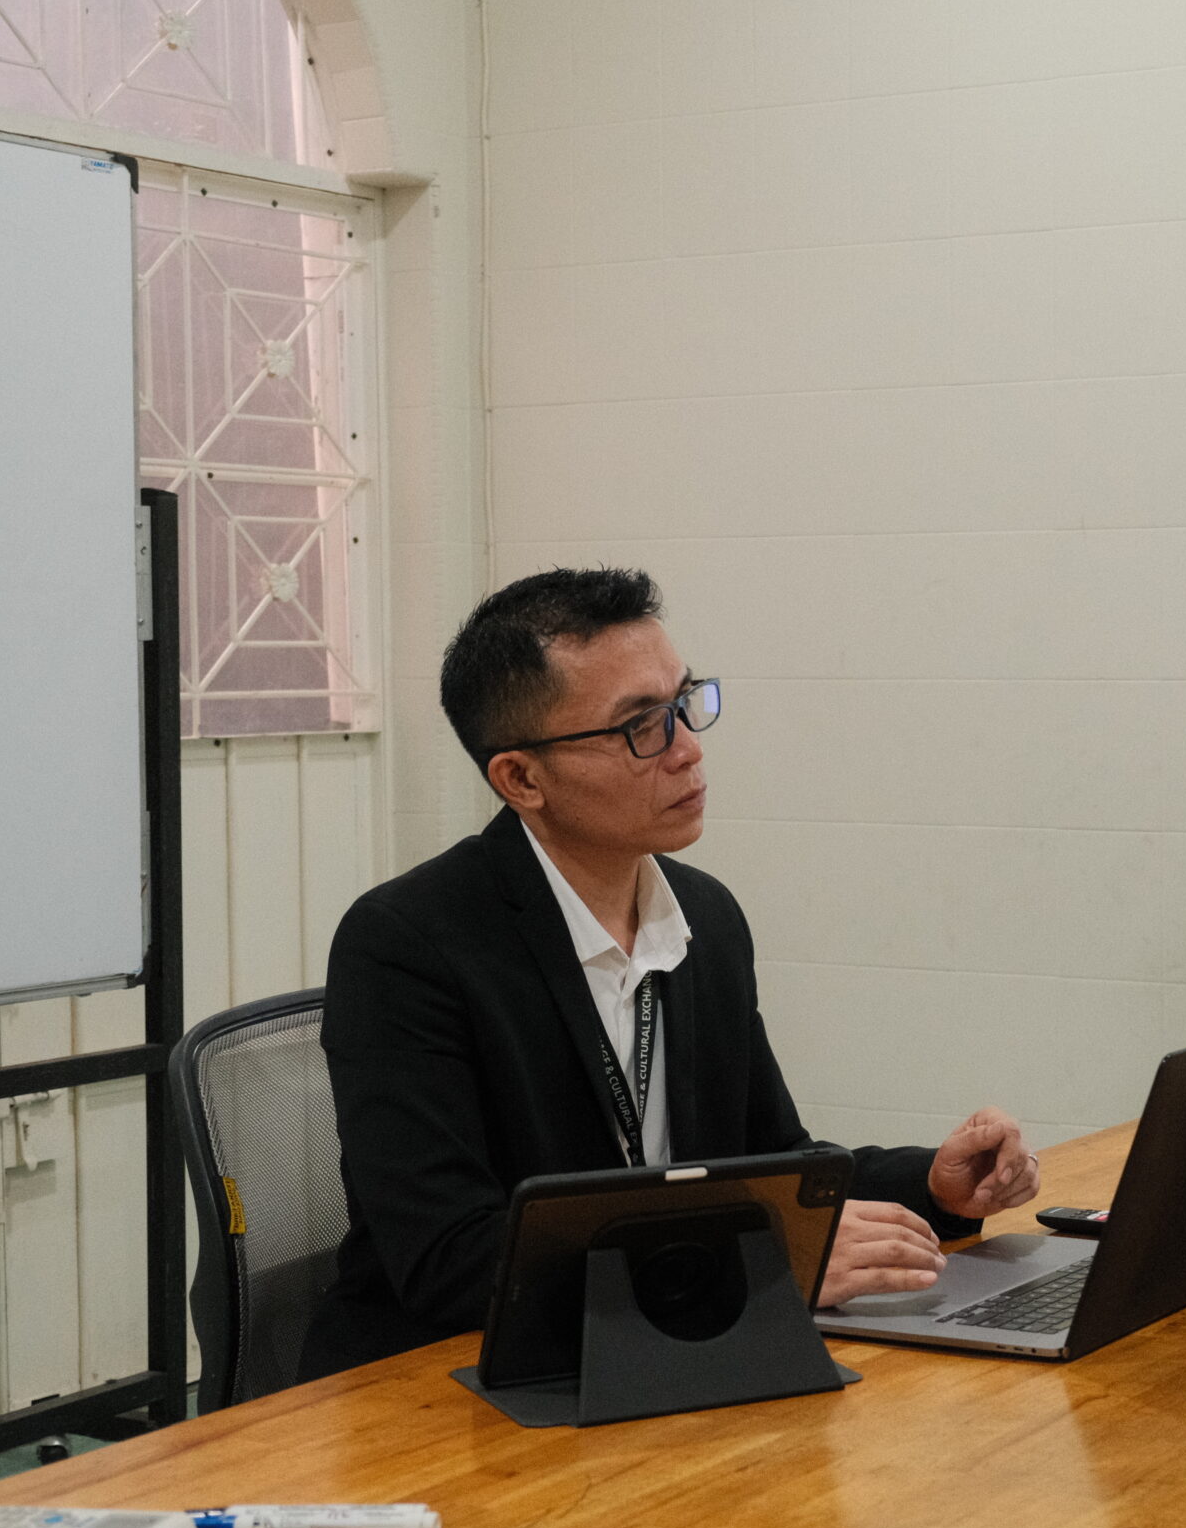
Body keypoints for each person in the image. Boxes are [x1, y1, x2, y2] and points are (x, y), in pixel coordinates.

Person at [303, 567, 1043, 1377]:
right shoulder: (408, 945)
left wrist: (931, 1185)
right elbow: (452, 1259)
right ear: (521, 778)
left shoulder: (704, 918)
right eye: (641, 726)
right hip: (450, 1378)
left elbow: (772, 1160)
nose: (687, 747)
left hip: (659, 1353)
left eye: (685, 704)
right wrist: (755, 1266)